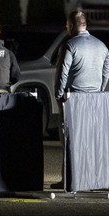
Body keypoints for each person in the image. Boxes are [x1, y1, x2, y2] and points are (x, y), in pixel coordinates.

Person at [52, 10, 109, 189]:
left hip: (73, 99)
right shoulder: (102, 46)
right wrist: (98, 91)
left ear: (71, 25)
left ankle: (69, 179)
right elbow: (106, 73)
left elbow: (62, 73)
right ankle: (92, 179)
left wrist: (59, 95)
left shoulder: (69, 45)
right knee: (92, 140)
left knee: (70, 140)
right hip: (94, 99)